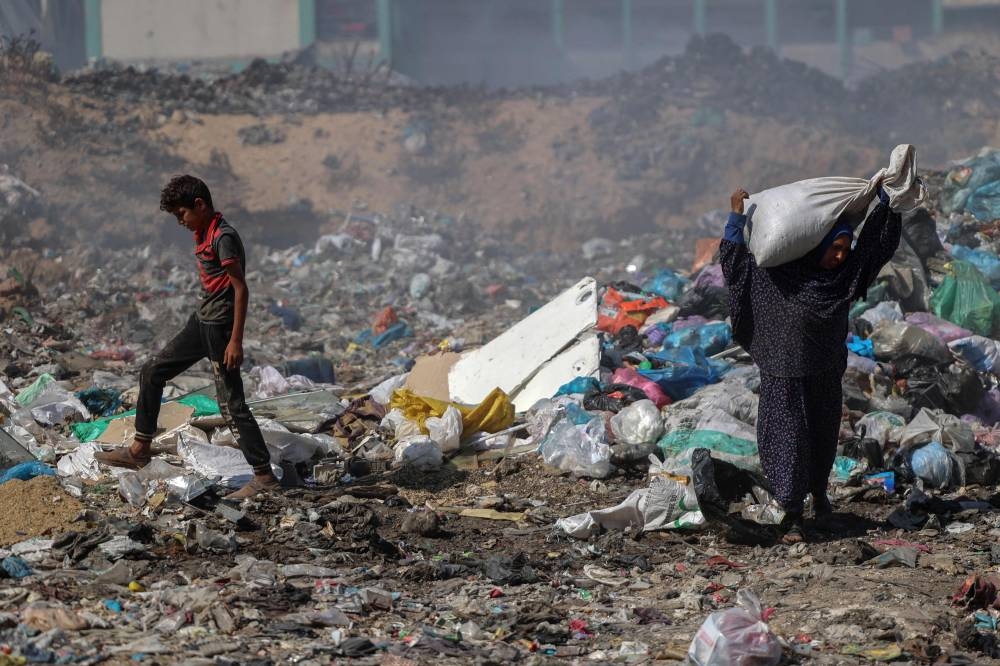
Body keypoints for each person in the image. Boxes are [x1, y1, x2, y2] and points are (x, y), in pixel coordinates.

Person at [720, 183, 902, 543]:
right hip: (782, 369)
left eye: (843, 250)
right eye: (834, 249)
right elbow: (734, 265)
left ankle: (819, 497)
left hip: (824, 367)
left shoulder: (839, 280)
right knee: (787, 437)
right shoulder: (776, 277)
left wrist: (887, 206)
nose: (839, 257)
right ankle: (790, 512)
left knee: (821, 433)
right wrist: (735, 218)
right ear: (818, 245)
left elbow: (872, 251)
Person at [95, 175, 279, 500]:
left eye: (182, 214)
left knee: (231, 405)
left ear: (200, 205)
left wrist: (236, 340)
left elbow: (241, 288)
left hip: (221, 330)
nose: (180, 221)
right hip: (201, 323)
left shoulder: (224, 237)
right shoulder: (202, 232)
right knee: (152, 371)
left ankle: (263, 476)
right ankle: (139, 449)